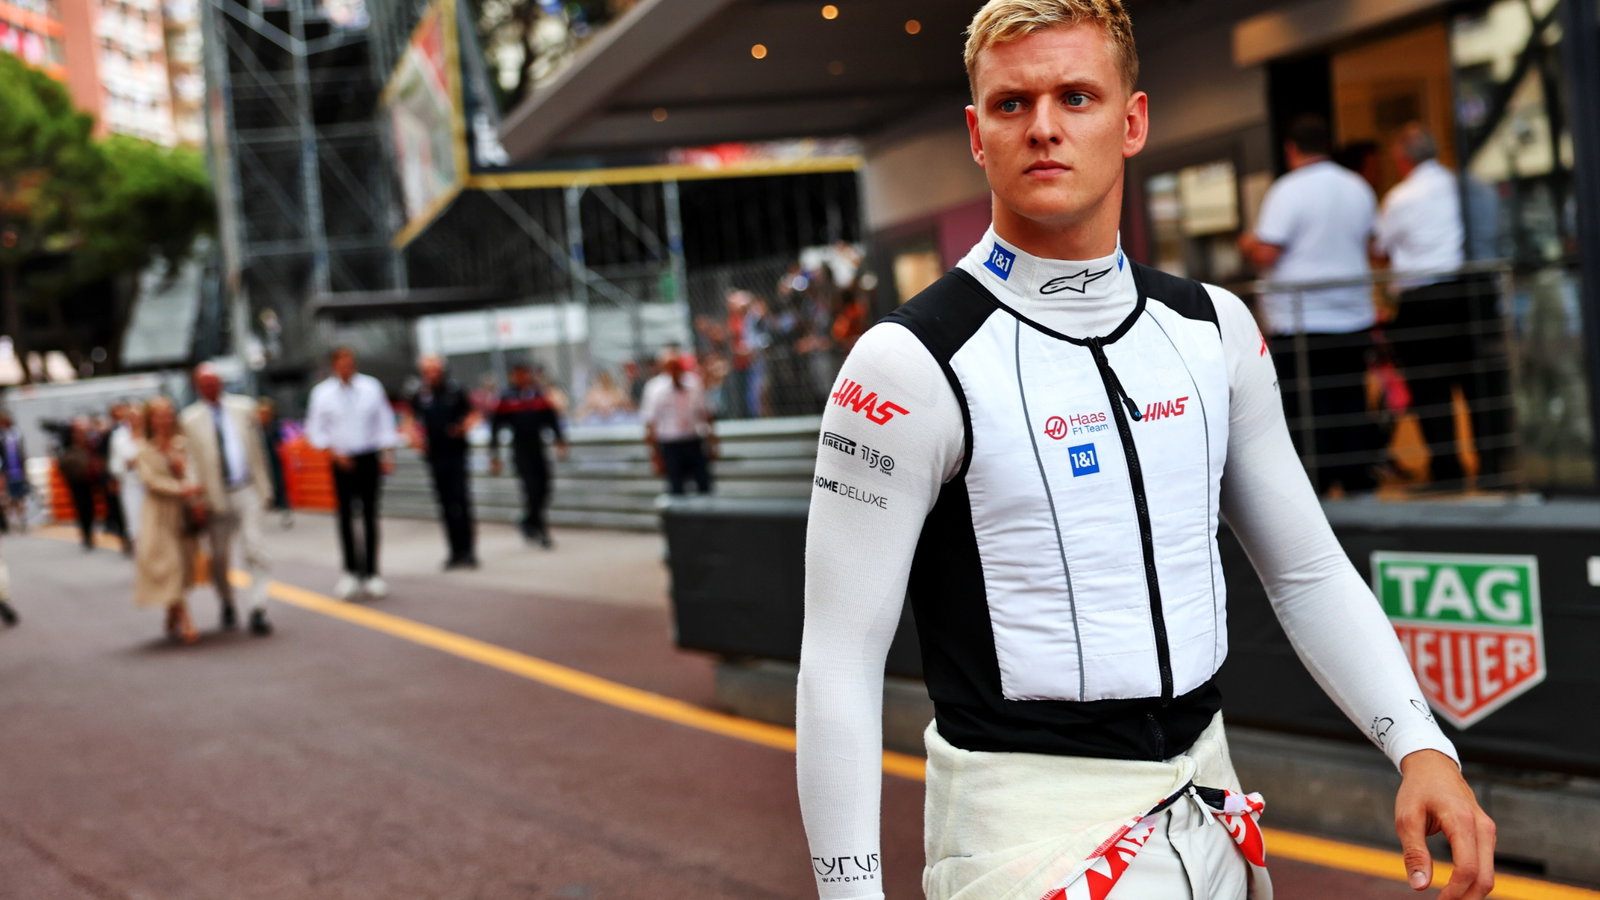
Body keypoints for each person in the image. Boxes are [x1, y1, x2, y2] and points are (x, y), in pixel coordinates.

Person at [796, 4, 1496, 900]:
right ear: (977, 133)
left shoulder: (1213, 327)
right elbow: (839, 661)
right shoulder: (906, 361)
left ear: (1132, 122)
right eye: (1012, 105)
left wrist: (1422, 745)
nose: (1044, 126)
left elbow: (1308, 569)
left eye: (1076, 96)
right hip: (1024, 838)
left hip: (1211, 806)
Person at [1238, 113, 1382, 496]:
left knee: (1308, 410)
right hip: (1353, 315)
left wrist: (1247, 242)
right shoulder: (1359, 188)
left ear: (1291, 150)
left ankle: (1315, 490)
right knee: (1351, 401)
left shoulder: (1289, 190)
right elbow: (1373, 247)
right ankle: (1358, 485)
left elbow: (1267, 253)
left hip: (1302, 321)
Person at [1374, 123, 1509, 490]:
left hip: (1424, 301)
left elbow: (1381, 249)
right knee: (1481, 384)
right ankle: (1493, 467)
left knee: (1431, 390)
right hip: (1475, 293)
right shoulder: (1469, 187)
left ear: (1402, 160)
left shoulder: (1400, 198)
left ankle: (1447, 471)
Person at [181, 363, 275, 636]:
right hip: (215, 495)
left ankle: (258, 607)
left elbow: (258, 451)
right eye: (204, 384)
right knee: (218, 557)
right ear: (198, 387)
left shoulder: (243, 409)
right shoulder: (190, 419)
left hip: (246, 489)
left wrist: (265, 488)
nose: (211, 388)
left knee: (255, 547)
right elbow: (191, 463)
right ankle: (226, 600)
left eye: (214, 383)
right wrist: (196, 499)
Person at [305, 347, 397, 600]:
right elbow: (315, 430)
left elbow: (385, 422)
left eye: (351, 363)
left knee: (370, 515)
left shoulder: (371, 387)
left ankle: (372, 573)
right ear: (335, 365)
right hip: (340, 458)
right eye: (342, 363)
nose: (347, 367)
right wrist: (333, 453)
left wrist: (388, 454)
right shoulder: (323, 393)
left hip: (368, 456)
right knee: (345, 516)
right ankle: (350, 571)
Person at [133, 397, 203, 644]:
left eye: (168, 414)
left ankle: (172, 611)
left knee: (184, 565)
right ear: (150, 419)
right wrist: (181, 488)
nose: (164, 419)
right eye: (158, 414)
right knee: (170, 563)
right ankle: (186, 619)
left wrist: (193, 495)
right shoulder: (144, 448)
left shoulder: (182, 444)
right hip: (159, 514)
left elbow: (195, 472)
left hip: (182, 513)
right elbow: (150, 481)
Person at [410, 354, 479, 569]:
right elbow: (409, 420)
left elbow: (474, 414)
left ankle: (468, 551)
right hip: (435, 456)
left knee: (461, 502)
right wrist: (415, 439)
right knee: (445, 505)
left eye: (434, 369)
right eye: (427, 370)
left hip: (456, 454)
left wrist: (462, 428)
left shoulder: (456, 390)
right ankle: (454, 551)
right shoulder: (421, 394)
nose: (431, 373)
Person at [490, 362, 568, 548]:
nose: (523, 377)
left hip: (538, 448)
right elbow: (495, 428)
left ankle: (527, 521)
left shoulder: (538, 395)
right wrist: (494, 454)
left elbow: (551, 419)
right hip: (520, 451)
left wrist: (560, 440)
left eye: (525, 373)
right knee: (531, 490)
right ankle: (542, 531)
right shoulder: (506, 398)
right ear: (512, 376)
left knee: (545, 489)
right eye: (519, 374)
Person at [639, 347, 714, 496]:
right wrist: (655, 456)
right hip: (670, 444)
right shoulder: (654, 388)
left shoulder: (694, 383)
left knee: (704, 485)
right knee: (676, 488)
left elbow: (706, 413)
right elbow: (649, 423)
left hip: (693, 441)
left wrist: (712, 443)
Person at [57, 418, 104, 552]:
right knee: (81, 507)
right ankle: (85, 533)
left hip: (88, 480)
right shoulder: (68, 446)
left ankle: (89, 532)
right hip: (75, 481)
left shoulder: (89, 445)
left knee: (90, 507)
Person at [108, 403, 145, 552]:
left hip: (151, 485)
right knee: (136, 526)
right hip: (131, 486)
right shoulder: (119, 437)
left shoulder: (149, 434)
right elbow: (114, 465)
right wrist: (127, 464)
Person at [256, 398, 292, 527]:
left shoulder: (274, 427)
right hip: (263, 462)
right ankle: (269, 503)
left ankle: (283, 508)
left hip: (275, 460)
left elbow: (281, 442)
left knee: (279, 483)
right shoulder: (257, 429)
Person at [0, 410, 30, 534]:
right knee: (10, 496)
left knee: (21, 496)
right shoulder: (1, 436)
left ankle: (21, 518)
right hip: (7, 471)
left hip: (18, 469)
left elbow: (22, 451)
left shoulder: (16, 433)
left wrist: (24, 466)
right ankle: (13, 518)